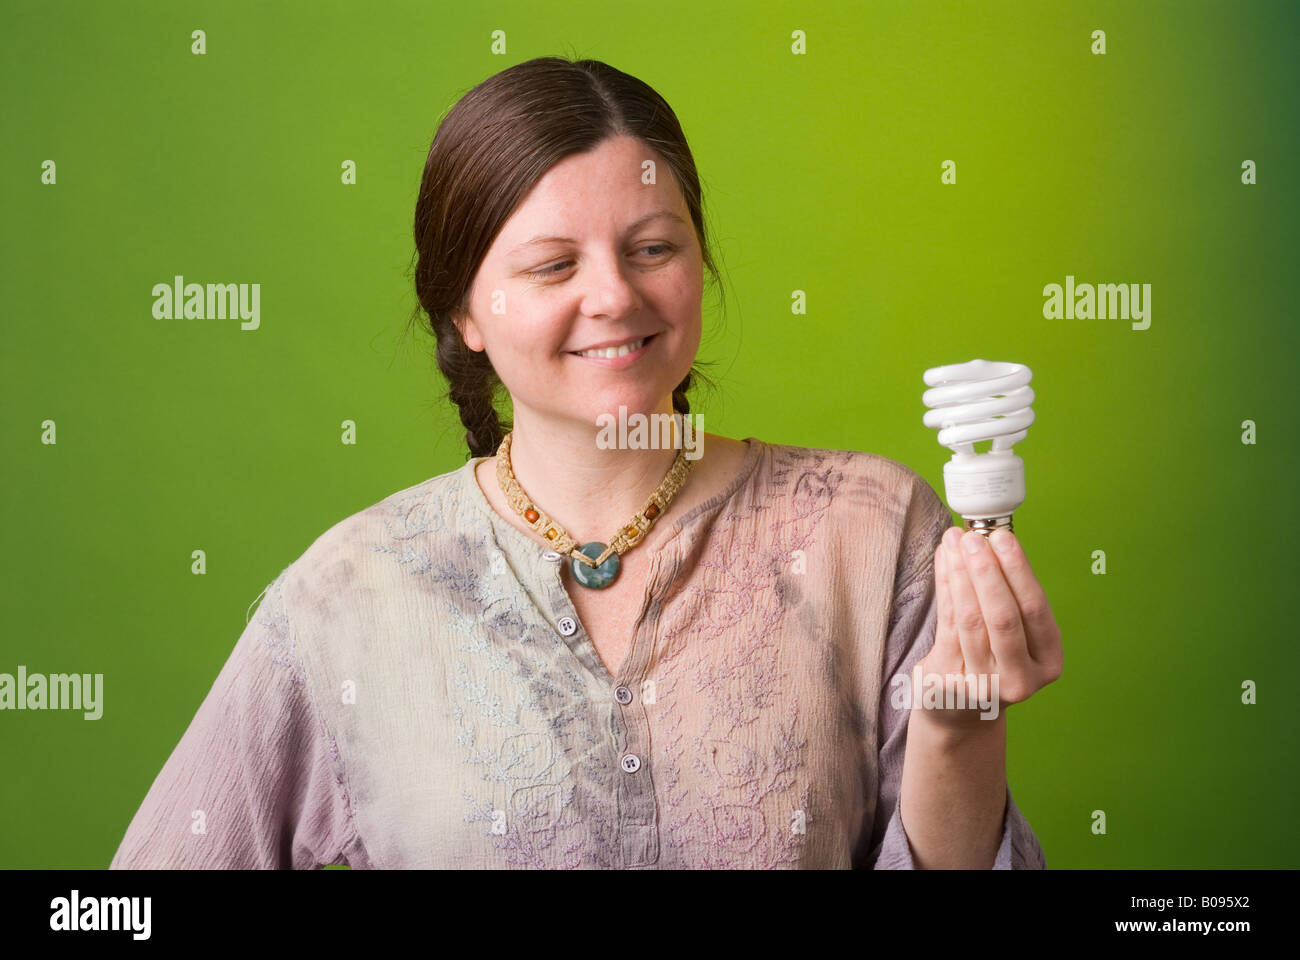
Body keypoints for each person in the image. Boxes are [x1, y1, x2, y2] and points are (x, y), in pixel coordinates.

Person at [109, 56, 1060, 870]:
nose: (614, 294)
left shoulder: (871, 527)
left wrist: (956, 728)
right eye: (553, 266)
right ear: (466, 315)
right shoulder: (350, 596)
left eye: (652, 247)